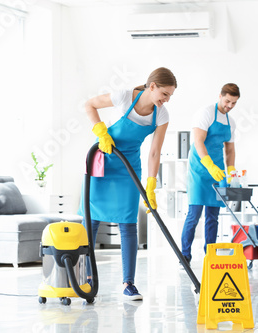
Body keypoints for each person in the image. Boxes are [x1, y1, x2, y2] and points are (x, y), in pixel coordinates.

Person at [78, 67, 177, 300]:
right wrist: (100, 131)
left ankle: (128, 284)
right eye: (164, 94)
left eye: (170, 96)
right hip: (102, 159)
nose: (166, 100)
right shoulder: (124, 96)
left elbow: (154, 152)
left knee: (128, 222)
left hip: (128, 167)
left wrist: (151, 185)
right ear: (151, 86)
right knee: (91, 220)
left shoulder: (161, 115)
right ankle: (85, 276)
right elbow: (89, 105)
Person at [180, 83, 240, 265]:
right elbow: (198, 141)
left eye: (234, 103)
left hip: (217, 171)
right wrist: (208, 165)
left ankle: (210, 255)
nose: (229, 106)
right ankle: (185, 256)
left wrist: (230, 170)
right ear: (220, 96)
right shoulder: (205, 113)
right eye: (227, 101)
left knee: (213, 216)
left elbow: (230, 150)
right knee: (194, 214)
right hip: (199, 169)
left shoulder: (231, 123)